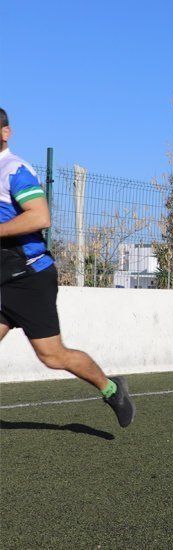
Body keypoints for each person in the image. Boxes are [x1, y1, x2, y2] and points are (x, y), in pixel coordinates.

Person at [0, 107, 135, 427]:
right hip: (2, 278)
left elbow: (40, 217)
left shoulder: (13, 169)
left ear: (5, 132)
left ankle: (112, 389)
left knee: (52, 356)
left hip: (28, 277)